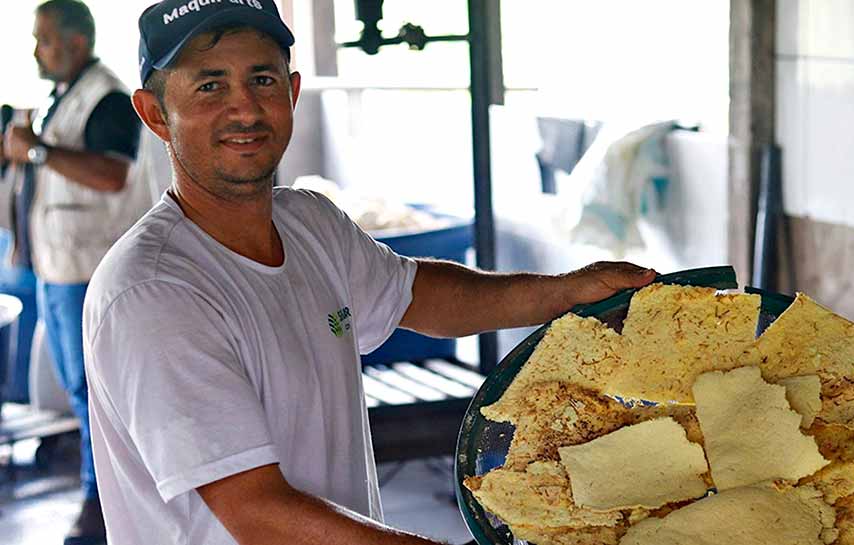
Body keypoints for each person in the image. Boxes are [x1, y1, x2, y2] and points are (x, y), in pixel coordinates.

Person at [83, 1, 657, 544]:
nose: (245, 109)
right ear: (155, 113)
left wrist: (567, 291)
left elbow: (421, 295)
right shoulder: (154, 292)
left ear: (293, 91)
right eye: (210, 86)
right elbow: (257, 515)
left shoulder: (307, 221)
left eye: (263, 79)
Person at [1, 1, 152, 543]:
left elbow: (113, 175)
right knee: (78, 385)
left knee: (96, 389)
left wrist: (38, 151)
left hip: (90, 269)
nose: (36, 50)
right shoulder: (60, 96)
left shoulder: (108, 97)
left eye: (43, 38)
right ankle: (103, 494)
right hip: (57, 264)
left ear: (77, 42)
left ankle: (102, 502)